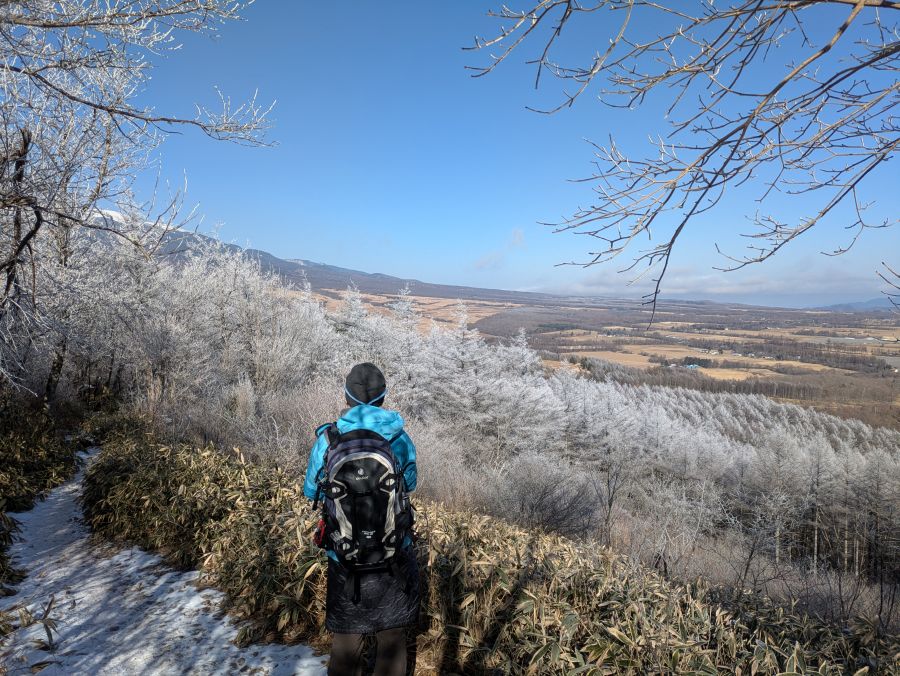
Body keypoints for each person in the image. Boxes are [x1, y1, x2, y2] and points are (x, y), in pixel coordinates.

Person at [303, 362, 419, 676]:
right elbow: (410, 483)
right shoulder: (399, 438)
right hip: (393, 550)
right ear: (383, 398)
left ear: (347, 397)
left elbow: (310, 489)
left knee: (346, 640)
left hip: (343, 554)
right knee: (391, 637)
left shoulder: (329, 438)